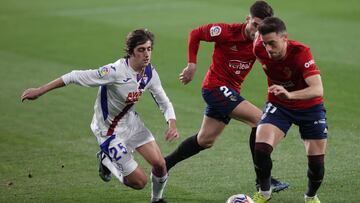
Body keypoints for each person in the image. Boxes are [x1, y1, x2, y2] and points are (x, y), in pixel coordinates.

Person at [21, 29, 179, 203]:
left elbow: (164, 101)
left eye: (149, 49)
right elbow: (74, 76)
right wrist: (40, 90)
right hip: (108, 131)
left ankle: (157, 200)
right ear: (131, 51)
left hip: (131, 123)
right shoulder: (114, 72)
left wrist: (171, 123)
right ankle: (107, 161)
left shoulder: (149, 73)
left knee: (160, 164)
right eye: (141, 49)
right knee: (139, 182)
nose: (147, 54)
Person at [164, 0, 288, 192]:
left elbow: (274, 66)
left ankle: (163, 165)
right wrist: (192, 64)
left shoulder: (262, 44)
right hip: (215, 88)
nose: (257, 31)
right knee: (259, 121)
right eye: (254, 24)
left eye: (261, 27)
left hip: (229, 92)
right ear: (247, 19)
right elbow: (195, 34)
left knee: (205, 140)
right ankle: (263, 180)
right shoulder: (226, 31)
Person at [251, 17, 327, 203]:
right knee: (260, 149)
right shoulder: (258, 47)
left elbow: (317, 89)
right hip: (280, 105)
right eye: (265, 43)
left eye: (272, 43)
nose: (268, 49)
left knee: (316, 164)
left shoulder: (301, 53)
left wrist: (290, 95)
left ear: (285, 38)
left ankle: (310, 197)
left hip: (310, 108)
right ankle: (265, 192)